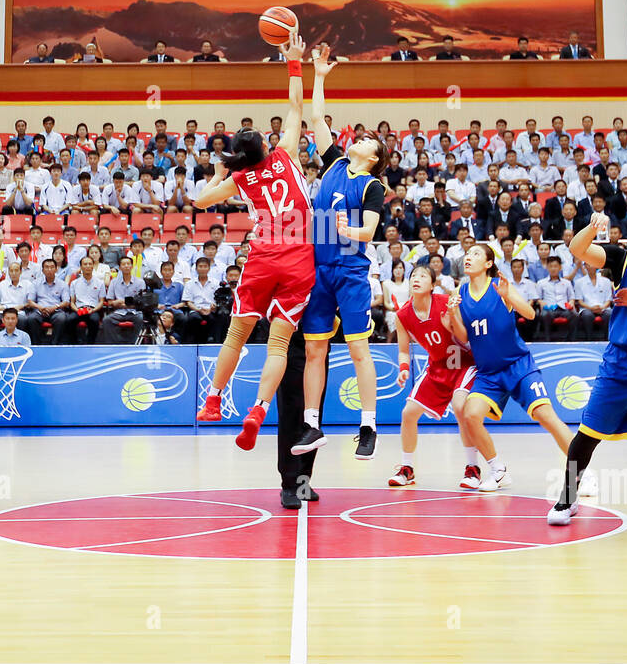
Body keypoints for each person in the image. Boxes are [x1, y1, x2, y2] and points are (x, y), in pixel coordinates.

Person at [195, 34, 315, 451]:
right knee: (278, 342)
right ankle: (259, 410)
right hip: (299, 255)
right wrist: (294, 62)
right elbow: (296, 107)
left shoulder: (239, 178)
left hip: (263, 254)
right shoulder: (285, 154)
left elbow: (199, 200)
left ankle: (212, 401)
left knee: (236, 335)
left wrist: (215, 171)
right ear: (265, 145)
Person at [294, 46, 388, 460]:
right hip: (318, 269)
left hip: (350, 269)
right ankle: (311, 425)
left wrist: (348, 229)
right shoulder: (333, 163)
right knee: (316, 348)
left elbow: (368, 230)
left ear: (374, 158)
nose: (358, 138)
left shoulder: (372, 186)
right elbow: (316, 117)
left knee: (357, 348)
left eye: (367, 140)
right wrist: (319, 75)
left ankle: (367, 425)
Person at [446, 244, 578, 492]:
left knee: (546, 416)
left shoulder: (499, 286)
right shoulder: (460, 292)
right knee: (470, 414)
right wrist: (453, 315)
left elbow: (529, 314)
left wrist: (510, 296)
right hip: (489, 373)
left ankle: (582, 472)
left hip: (519, 366)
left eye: (475, 254)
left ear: (488, 263)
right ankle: (498, 470)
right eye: (467, 253)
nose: (468, 257)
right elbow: (464, 337)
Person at [388, 266, 483, 489]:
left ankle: (472, 468)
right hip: (438, 367)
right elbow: (403, 349)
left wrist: (450, 320)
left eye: (423, 276)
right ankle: (407, 468)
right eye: (413, 276)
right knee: (408, 413)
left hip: (464, 362)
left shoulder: (445, 302)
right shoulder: (402, 315)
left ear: (432, 285)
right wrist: (403, 368)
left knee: (461, 408)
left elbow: (464, 337)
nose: (416, 279)